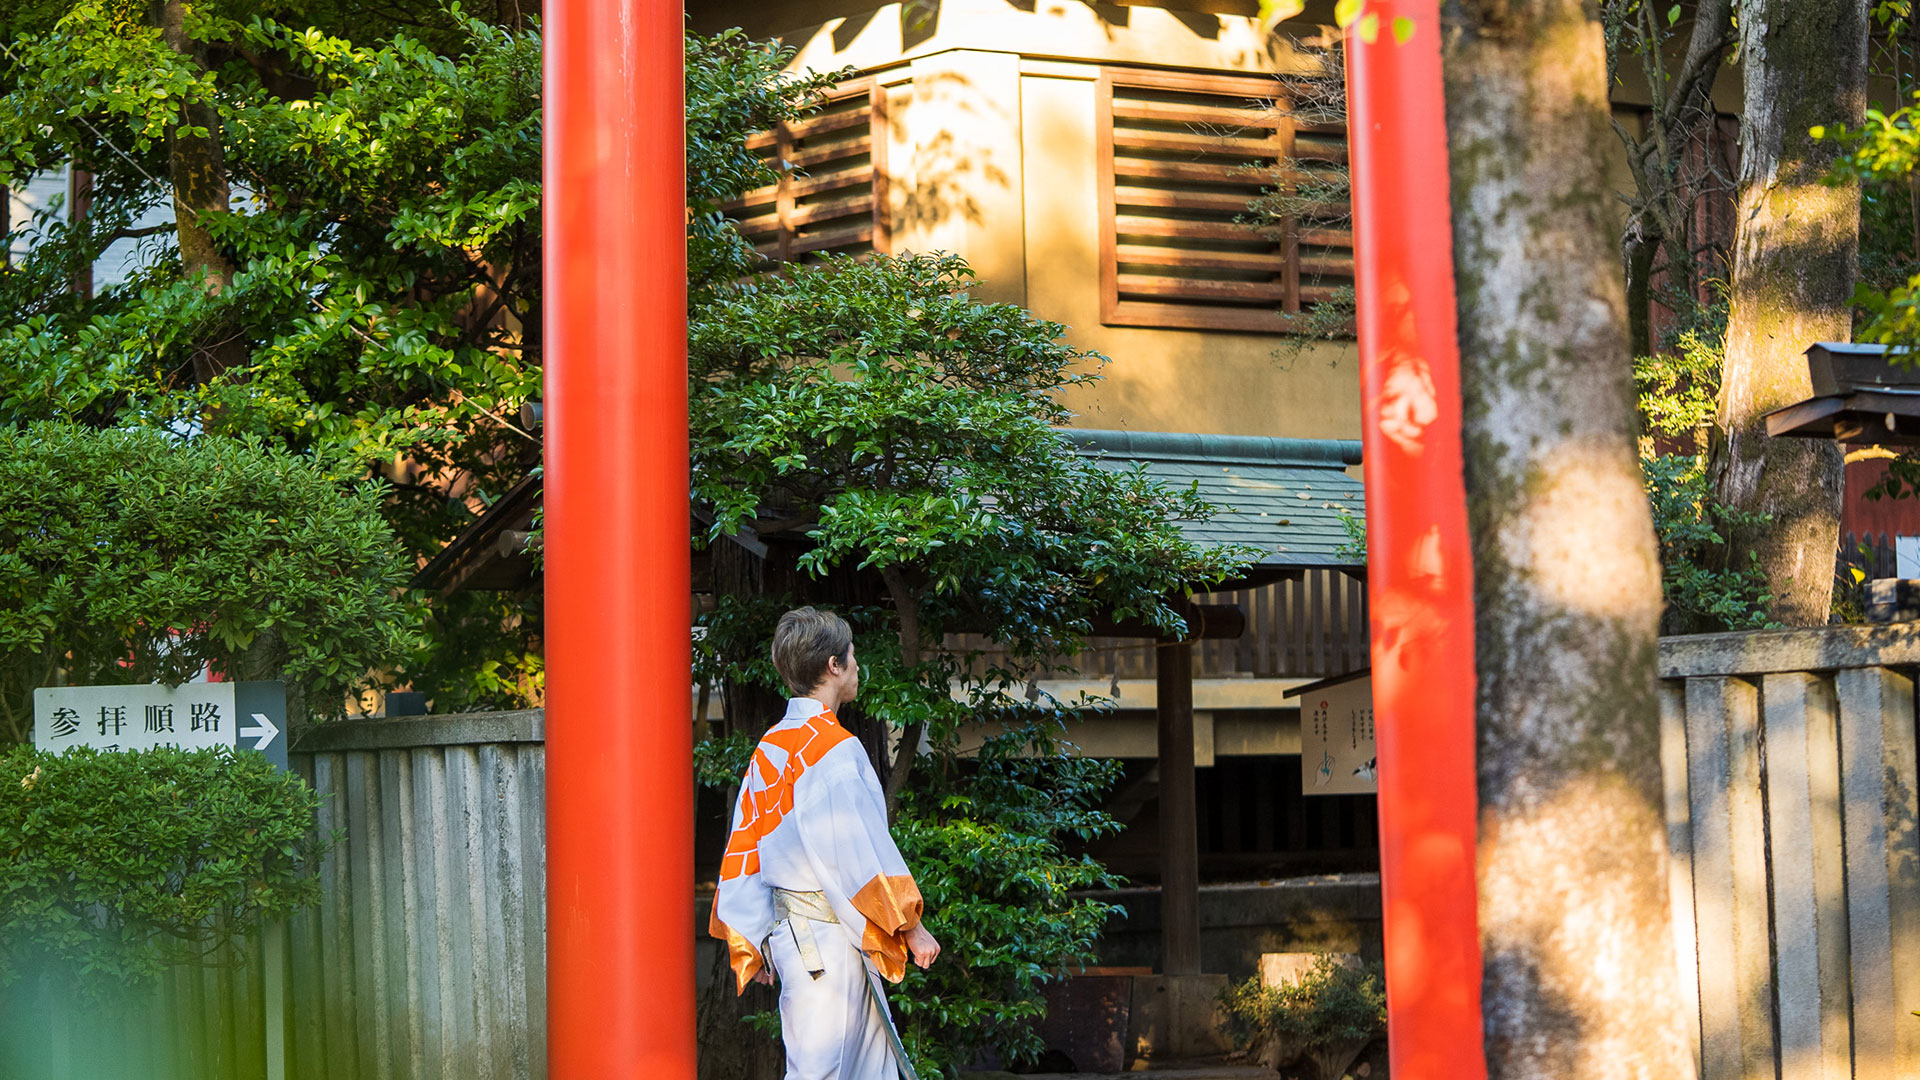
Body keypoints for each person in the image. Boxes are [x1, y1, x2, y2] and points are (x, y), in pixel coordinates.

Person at [709, 606, 942, 1080]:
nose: (858, 666)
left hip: (796, 939)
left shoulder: (772, 746)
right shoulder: (833, 749)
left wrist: (750, 938)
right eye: (852, 656)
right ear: (834, 666)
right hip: (830, 947)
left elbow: (744, 846)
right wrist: (909, 925)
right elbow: (860, 851)